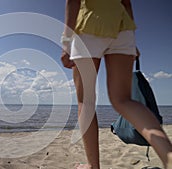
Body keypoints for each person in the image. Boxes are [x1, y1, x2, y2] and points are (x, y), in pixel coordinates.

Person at [60, 0, 172, 168]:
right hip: (123, 29)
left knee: (86, 101)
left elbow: (73, 1)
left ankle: (93, 166)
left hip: (89, 24)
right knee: (124, 101)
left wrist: (66, 41)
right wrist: (132, 42)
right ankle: (168, 155)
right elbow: (126, 3)